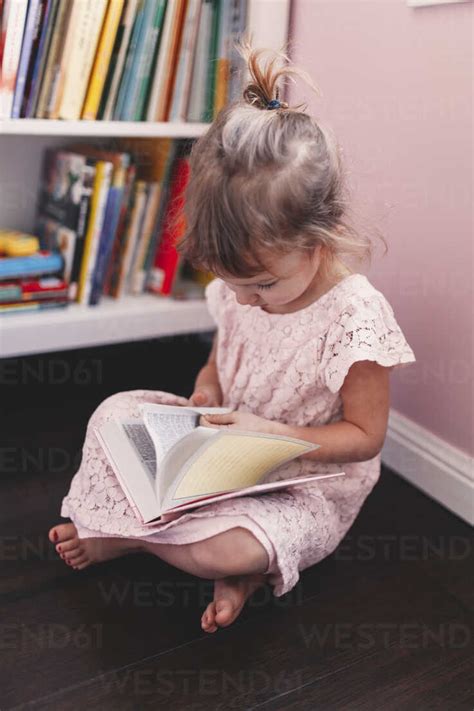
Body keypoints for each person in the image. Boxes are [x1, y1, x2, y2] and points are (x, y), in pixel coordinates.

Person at [49, 42, 416, 634]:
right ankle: (170, 526)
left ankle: (141, 540)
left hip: (301, 488)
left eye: (262, 285)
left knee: (228, 552)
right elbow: (220, 365)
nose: (244, 301)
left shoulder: (355, 317)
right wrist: (202, 393)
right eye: (232, 284)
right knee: (113, 413)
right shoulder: (246, 290)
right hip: (222, 454)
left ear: (321, 239)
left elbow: (366, 438)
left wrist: (273, 437)